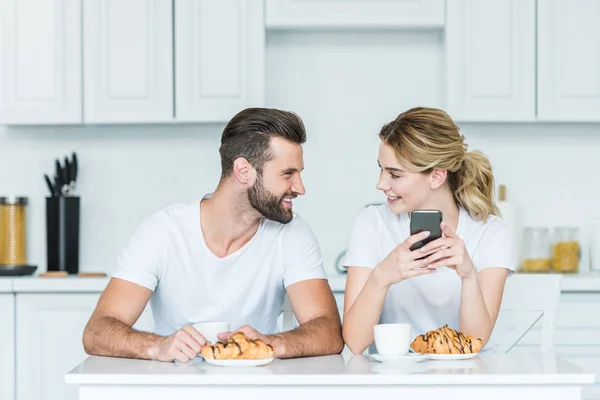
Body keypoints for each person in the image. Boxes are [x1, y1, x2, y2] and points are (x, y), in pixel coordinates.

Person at [83, 108, 344, 363]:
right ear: (244, 171)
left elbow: (329, 333)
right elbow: (97, 331)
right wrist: (158, 346)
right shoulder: (162, 232)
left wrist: (270, 344)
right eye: (288, 174)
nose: (300, 188)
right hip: (174, 387)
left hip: (255, 388)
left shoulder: (292, 233)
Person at [341, 107, 515, 355]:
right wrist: (382, 276)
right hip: (393, 380)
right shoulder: (372, 222)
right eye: (381, 169)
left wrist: (468, 276)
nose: (381, 184)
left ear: (436, 176)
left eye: (395, 174)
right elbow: (356, 343)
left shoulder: (491, 234)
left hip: (465, 379)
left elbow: (473, 343)